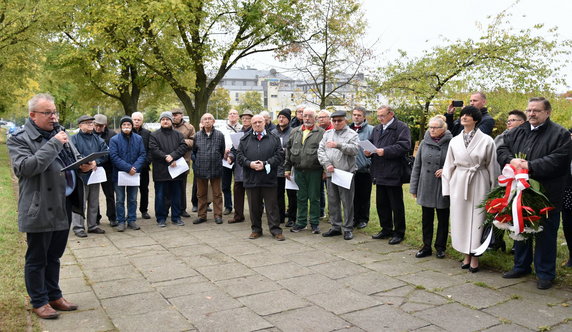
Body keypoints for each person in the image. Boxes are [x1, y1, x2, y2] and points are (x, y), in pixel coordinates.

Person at [8, 93, 80, 319]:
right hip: (39, 206)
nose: (53, 116)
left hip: (62, 202)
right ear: (32, 115)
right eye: (47, 113)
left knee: (54, 255)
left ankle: (54, 295)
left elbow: (70, 162)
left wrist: (84, 165)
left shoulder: (59, 133)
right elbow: (26, 168)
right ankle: (39, 301)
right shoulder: (19, 139)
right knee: (37, 257)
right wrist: (54, 144)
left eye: (55, 112)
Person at [498, 97, 572, 289]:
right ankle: (521, 265)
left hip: (547, 193)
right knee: (521, 228)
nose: (531, 114)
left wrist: (531, 166)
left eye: (536, 111)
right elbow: (502, 148)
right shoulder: (519, 131)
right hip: (521, 191)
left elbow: (559, 160)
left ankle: (545, 273)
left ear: (547, 112)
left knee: (545, 233)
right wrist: (511, 160)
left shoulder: (560, 134)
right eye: (529, 110)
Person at [442, 106, 498, 273]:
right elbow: (448, 165)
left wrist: (494, 191)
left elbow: (492, 166)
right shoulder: (454, 140)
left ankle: (475, 256)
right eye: (463, 115)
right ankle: (465, 253)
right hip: (459, 180)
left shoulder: (487, 140)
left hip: (479, 179)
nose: (464, 117)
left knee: (477, 219)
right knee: (460, 219)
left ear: (476, 119)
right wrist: (447, 188)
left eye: (469, 115)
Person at [366, 106, 411, 245]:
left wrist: (384, 151)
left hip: (394, 171)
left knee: (396, 204)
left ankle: (399, 232)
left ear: (391, 114)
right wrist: (368, 151)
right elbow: (371, 143)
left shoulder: (401, 127)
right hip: (378, 170)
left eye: (382, 116)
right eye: (378, 116)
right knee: (381, 203)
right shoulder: (377, 128)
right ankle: (385, 228)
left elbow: (404, 146)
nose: (380, 119)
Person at [410, 116, 452, 259]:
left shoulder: (452, 142)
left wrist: (446, 170)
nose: (432, 130)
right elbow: (417, 166)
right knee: (426, 218)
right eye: (430, 127)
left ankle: (440, 247)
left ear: (443, 129)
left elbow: (457, 164)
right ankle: (426, 246)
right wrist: (414, 188)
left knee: (443, 218)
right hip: (426, 184)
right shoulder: (424, 142)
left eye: (435, 127)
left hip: (443, 185)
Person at [237, 115, 285, 240]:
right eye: (254, 123)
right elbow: (240, 157)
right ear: (251, 124)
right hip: (251, 178)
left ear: (265, 123)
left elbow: (279, 156)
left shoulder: (274, 138)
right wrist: (250, 164)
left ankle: (276, 230)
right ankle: (256, 230)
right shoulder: (244, 139)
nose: (257, 124)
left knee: (272, 206)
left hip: (268, 178)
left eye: (260, 122)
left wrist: (265, 163)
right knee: (254, 207)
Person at [318, 111, 360, 240]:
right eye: (334, 120)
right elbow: (321, 151)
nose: (336, 123)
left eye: (339, 120)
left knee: (347, 202)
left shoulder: (352, 134)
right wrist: (327, 165)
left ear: (345, 120)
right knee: (333, 201)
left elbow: (355, 150)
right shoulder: (327, 134)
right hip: (331, 172)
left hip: (345, 173)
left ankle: (347, 228)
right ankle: (336, 226)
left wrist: (338, 145)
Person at [491, 109, 527, 252]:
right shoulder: (501, 137)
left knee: (517, 211)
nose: (509, 123)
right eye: (508, 121)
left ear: (522, 122)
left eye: (512, 120)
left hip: (519, 180)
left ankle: (516, 243)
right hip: (502, 178)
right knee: (499, 210)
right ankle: (496, 240)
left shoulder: (526, 138)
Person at [285, 108, 325, 234]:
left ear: (315, 118)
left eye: (310, 116)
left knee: (314, 197)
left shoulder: (321, 133)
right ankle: (301, 223)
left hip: (314, 171)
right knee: (300, 197)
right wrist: (287, 168)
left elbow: (325, 153)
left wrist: (325, 170)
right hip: (298, 170)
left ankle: (314, 223)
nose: (307, 118)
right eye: (305, 115)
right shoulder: (295, 131)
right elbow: (288, 150)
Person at [70, 114, 109, 237]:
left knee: (93, 201)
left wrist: (95, 162)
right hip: (80, 175)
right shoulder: (74, 139)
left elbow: (106, 153)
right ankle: (78, 227)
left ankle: (92, 225)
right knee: (80, 202)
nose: (91, 125)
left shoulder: (98, 139)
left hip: (94, 174)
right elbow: (71, 154)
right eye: (87, 123)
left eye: (92, 123)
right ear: (80, 125)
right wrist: (82, 164)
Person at [149, 112, 189, 227]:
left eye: (167, 119)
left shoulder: (178, 135)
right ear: (160, 121)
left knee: (176, 195)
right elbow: (153, 149)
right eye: (163, 119)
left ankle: (176, 217)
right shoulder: (154, 135)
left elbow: (183, 147)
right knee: (160, 196)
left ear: (171, 121)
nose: (165, 121)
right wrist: (166, 157)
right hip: (160, 171)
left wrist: (173, 156)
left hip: (176, 170)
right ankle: (161, 218)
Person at [108, 116, 147, 232]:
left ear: (132, 126)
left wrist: (135, 168)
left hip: (134, 174)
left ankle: (132, 220)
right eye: (124, 125)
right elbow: (114, 157)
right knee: (120, 199)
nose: (126, 127)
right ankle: (121, 221)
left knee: (133, 199)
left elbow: (142, 154)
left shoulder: (138, 139)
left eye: (128, 125)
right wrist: (128, 168)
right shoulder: (114, 140)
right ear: (120, 127)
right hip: (119, 174)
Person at [192, 113, 226, 225]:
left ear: (213, 121)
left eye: (209, 119)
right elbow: (194, 152)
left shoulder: (220, 135)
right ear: (201, 122)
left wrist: (215, 159)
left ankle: (218, 215)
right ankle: (202, 215)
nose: (207, 121)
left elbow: (222, 151)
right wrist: (197, 162)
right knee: (201, 194)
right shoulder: (197, 135)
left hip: (215, 168)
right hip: (201, 169)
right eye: (205, 119)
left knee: (217, 194)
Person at [226, 110, 254, 224]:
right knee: (237, 191)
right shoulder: (239, 133)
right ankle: (238, 215)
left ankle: (254, 216)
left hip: (252, 167)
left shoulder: (255, 132)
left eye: (248, 118)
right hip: (239, 168)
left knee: (253, 194)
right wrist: (231, 157)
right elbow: (234, 149)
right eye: (244, 119)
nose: (245, 120)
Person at [349, 106, 374, 229]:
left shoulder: (371, 130)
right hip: (350, 168)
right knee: (352, 196)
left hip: (365, 168)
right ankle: (353, 218)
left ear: (364, 116)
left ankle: (363, 218)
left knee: (364, 195)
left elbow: (375, 148)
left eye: (359, 115)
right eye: (354, 115)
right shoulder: (348, 129)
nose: (356, 117)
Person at [271, 109, 297, 226]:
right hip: (276, 168)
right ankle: (280, 216)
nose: (281, 119)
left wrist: (285, 150)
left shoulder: (293, 132)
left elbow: (296, 149)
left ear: (289, 119)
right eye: (279, 117)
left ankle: (292, 217)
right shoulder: (272, 132)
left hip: (289, 167)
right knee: (278, 194)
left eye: (284, 117)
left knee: (291, 194)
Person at [172, 108, 196, 218]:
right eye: (172, 115)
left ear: (182, 115)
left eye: (176, 114)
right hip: (170, 161)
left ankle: (182, 209)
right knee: (169, 186)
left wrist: (182, 141)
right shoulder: (168, 125)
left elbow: (194, 141)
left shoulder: (189, 127)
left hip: (183, 160)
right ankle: (169, 208)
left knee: (182, 186)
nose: (174, 117)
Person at [94, 114, 117, 226]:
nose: (98, 128)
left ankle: (112, 217)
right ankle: (96, 217)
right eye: (96, 125)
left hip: (108, 169)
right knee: (94, 196)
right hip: (93, 168)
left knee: (110, 195)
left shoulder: (112, 134)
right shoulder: (90, 134)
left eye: (101, 126)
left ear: (105, 125)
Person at [131, 111, 152, 219]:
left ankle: (144, 210)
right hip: (131, 168)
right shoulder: (127, 132)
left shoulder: (147, 133)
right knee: (131, 191)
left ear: (142, 121)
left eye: (139, 120)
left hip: (143, 167)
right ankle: (131, 212)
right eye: (134, 119)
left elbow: (150, 150)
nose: (136, 121)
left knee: (144, 189)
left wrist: (146, 162)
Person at [222, 109, 242, 215]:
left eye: (234, 113)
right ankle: (228, 206)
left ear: (238, 116)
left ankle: (238, 207)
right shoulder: (222, 129)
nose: (232, 115)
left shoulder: (242, 128)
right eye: (230, 114)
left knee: (238, 184)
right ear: (228, 116)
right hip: (225, 159)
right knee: (225, 184)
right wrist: (223, 151)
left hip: (238, 159)